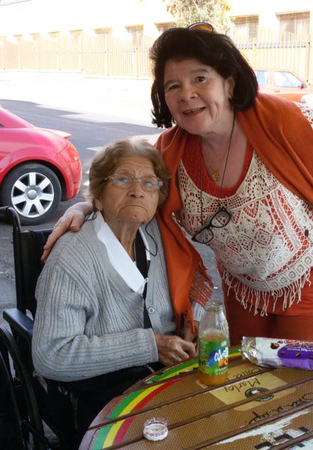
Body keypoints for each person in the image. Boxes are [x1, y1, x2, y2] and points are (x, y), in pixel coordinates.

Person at [43, 24, 313, 347]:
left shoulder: (287, 124)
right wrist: (85, 206)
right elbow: (133, 187)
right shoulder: (171, 153)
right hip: (243, 286)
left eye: (200, 78)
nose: (186, 94)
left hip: (311, 276)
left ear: (229, 83)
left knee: (295, 373)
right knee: (243, 366)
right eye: (173, 86)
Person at [32, 138, 200, 440]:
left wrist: (192, 324)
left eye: (149, 183)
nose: (138, 191)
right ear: (98, 193)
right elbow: (51, 355)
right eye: (123, 180)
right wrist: (150, 345)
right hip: (104, 390)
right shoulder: (71, 258)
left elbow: (191, 287)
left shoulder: (158, 234)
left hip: (164, 376)